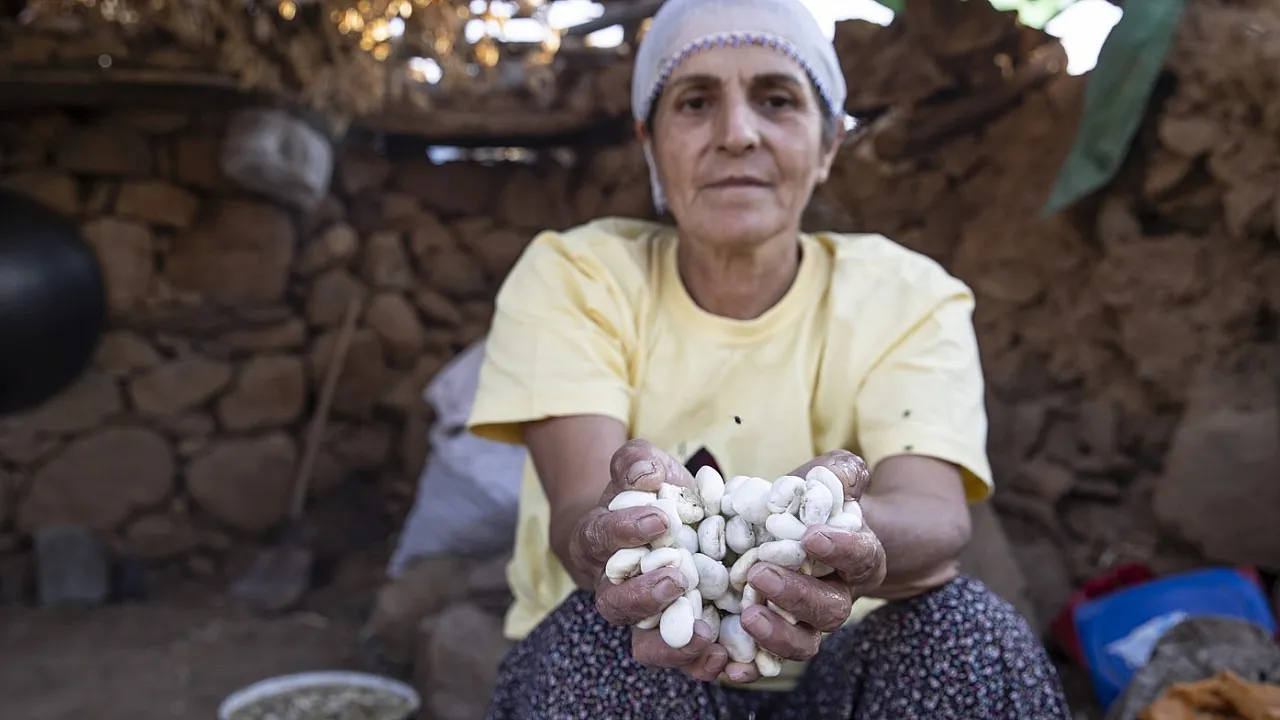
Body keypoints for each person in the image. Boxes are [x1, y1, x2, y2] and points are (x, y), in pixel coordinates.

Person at [467, 0, 1072, 717]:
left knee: (970, 635)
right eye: (695, 103)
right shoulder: (576, 275)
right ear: (650, 143)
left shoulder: (907, 294)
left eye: (777, 100)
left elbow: (935, 515)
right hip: (642, 665)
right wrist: (619, 533)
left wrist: (844, 538)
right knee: (593, 649)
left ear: (829, 143)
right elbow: (578, 512)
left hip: (843, 670)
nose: (738, 134)